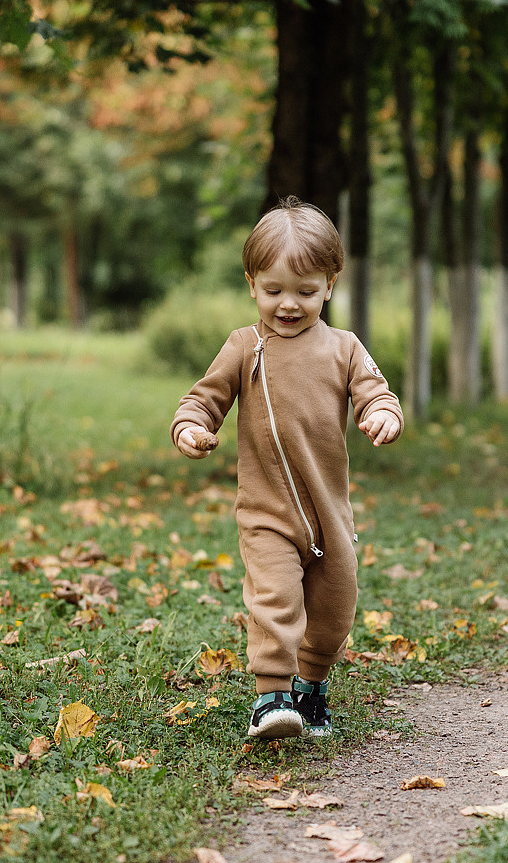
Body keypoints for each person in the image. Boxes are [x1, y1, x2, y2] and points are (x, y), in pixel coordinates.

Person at [171, 197, 403, 741]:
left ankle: (311, 689)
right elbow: (203, 399)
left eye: (305, 291)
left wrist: (382, 414)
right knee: (275, 596)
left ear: (330, 285)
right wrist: (190, 427)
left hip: (329, 512)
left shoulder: (345, 348)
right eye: (274, 290)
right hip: (266, 510)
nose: (289, 304)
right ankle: (272, 696)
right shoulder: (244, 346)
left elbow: (375, 392)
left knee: (334, 605)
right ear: (252, 285)